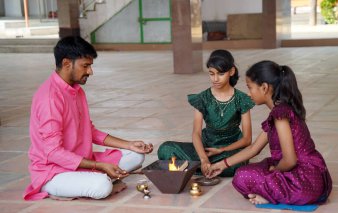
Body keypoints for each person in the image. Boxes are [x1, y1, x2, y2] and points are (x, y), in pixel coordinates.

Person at [24, 36, 153, 201]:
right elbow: (53, 153)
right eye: (85, 66)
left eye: (90, 66)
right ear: (66, 63)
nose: (90, 71)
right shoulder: (50, 98)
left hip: (83, 162)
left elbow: (88, 131)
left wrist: (128, 144)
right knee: (102, 186)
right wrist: (98, 166)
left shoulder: (76, 90)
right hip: (54, 172)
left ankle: (88, 179)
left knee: (136, 155)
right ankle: (67, 186)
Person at [207, 60, 332, 205]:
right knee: (244, 172)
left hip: (306, 178)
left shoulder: (280, 114)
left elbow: (290, 160)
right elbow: (254, 148)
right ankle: (271, 190)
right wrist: (221, 165)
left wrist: (275, 170)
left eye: (250, 87)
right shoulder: (279, 112)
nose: (248, 93)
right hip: (302, 172)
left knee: (243, 176)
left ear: (264, 87)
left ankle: (271, 195)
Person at [157, 49, 255, 177]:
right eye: (211, 73)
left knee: (238, 163)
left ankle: (193, 167)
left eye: (220, 74)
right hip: (206, 148)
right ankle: (208, 166)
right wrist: (203, 159)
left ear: (231, 71)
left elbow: (247, 139)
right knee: (165, 149)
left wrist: (221, 150)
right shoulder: (202, 98)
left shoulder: (242, 99)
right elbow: (196, 133)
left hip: (230, 149)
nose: (215, 79)